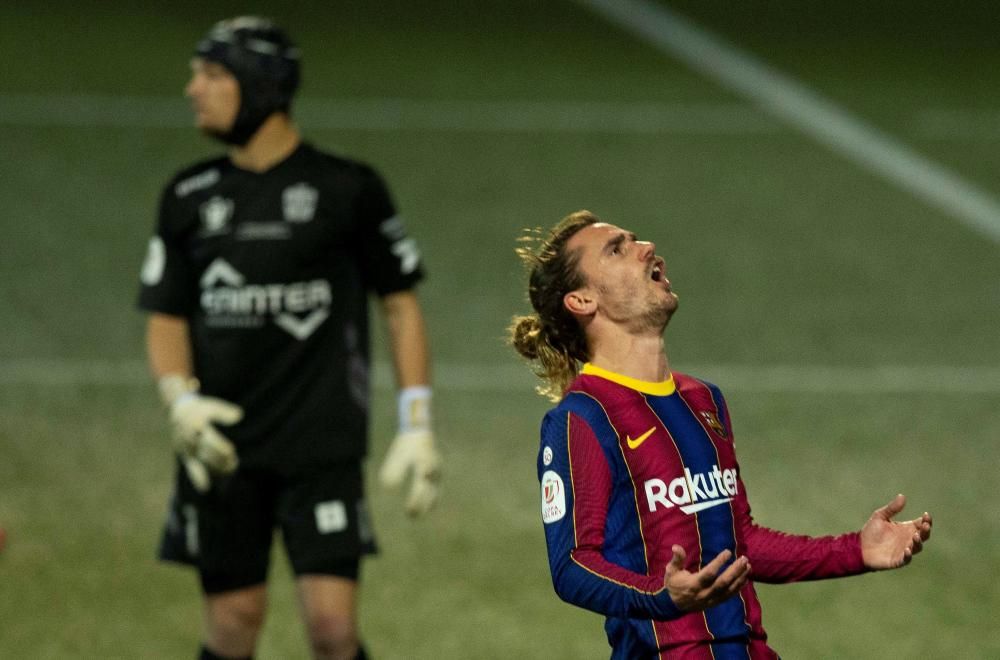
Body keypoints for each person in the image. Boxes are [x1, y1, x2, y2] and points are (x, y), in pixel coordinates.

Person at [137, 16, 441, 660]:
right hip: (221, 447)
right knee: (232, 622)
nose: (192, 89)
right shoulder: (188, 197)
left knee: (332, 631)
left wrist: (417, 423)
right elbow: (165, 315)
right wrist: (179, 403)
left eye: (211, 74)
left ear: (261, 86)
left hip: (319, 444)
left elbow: (401, 305)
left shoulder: (348, 189)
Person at [509, 210, 933, 659]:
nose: (646, 248)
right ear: (582, 301)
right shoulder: (582, 419)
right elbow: (572, 565)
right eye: (617, 249)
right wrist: (661, 597)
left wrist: (855, 550)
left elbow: (739, 541)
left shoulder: (703, 400)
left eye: (634, 239)